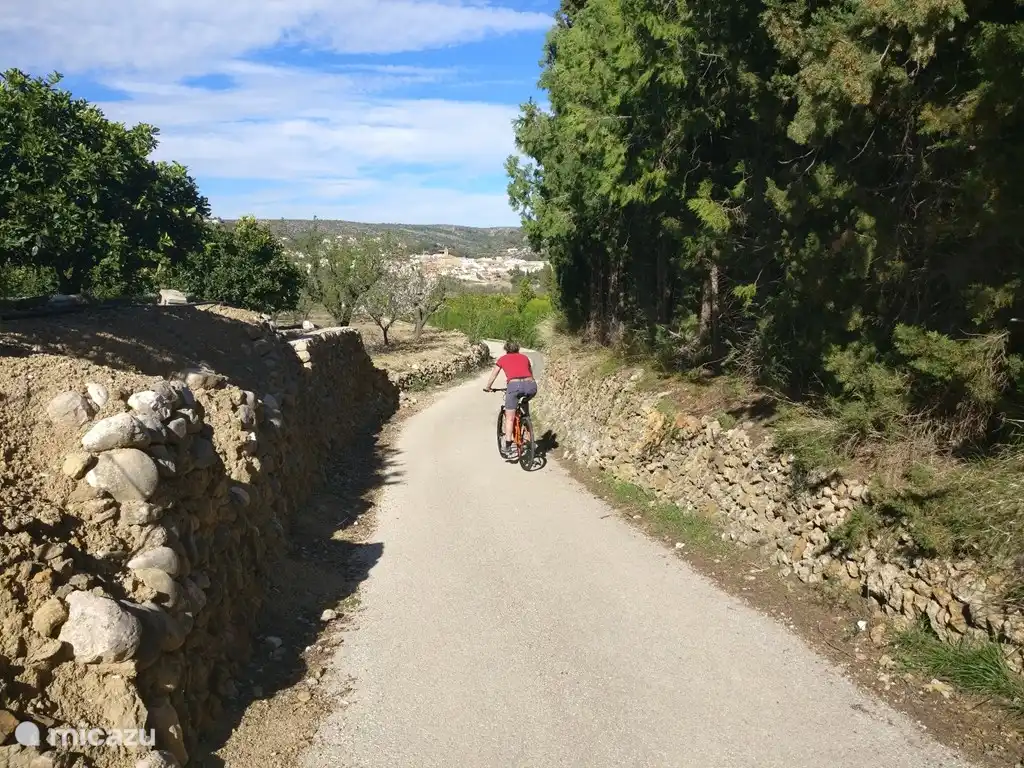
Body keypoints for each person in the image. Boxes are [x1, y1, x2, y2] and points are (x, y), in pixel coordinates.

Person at [484, 340, 537, 458]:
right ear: (518, 348)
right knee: (525, 406)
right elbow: (530, 373)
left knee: (510, 418)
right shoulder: (525, 358)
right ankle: (529, 438)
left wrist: (488, 387)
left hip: (514, 386)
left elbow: (494, 374)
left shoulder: (503, 359)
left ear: (506, 349)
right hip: (531, 386)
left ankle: (508, 444)